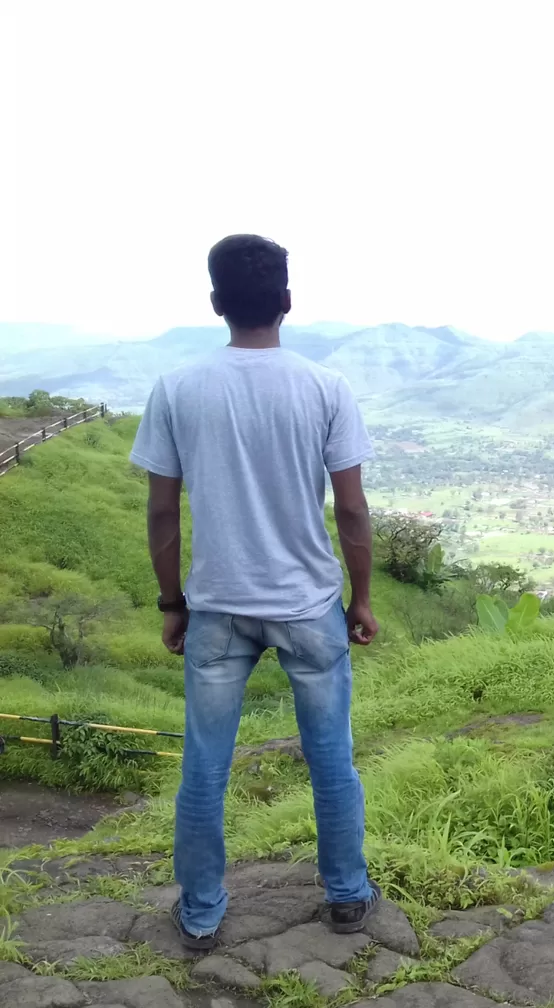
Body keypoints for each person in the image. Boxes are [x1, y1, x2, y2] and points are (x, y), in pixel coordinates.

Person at [130, 234, 380, 950]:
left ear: (216, 305)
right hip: (307, 607)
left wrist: (172, 602)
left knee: (205, 765)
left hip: (216, 606)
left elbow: (160, 511)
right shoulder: (325, 387)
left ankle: (203, 912)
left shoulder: (178, 387)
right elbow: (354, 511)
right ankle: (346, 896)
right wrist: (359, 600)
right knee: (331, 757)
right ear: (287, 301)